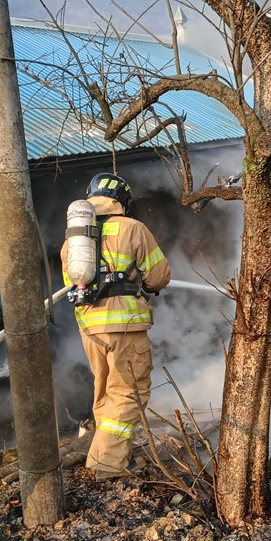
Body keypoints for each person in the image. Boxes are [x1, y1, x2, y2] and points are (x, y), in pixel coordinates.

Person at [60, 173, 171, 479]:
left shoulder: (73, 241)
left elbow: (73, 283)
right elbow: (159, 276)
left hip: (90, 327)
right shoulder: (133, 228)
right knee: (129, 391)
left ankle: (110, 452)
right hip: (124, 323)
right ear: (122, 200)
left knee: (106, 390)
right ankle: (107, 463)